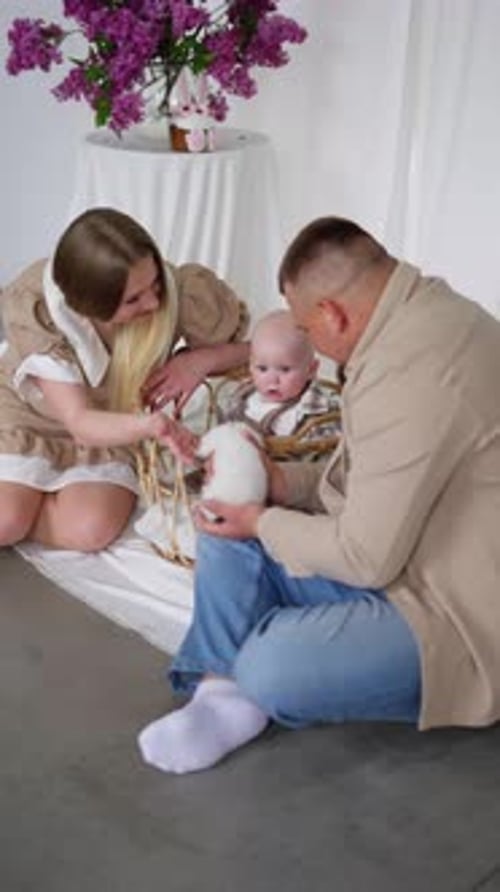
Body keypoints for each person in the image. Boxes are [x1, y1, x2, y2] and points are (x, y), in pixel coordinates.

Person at [138, 215, 500, 776]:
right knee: (224, 523)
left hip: (453, 607)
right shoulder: (419, 313)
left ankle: (243, 680)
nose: (312, 344)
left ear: (332, 314)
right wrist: (277, 487)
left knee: (270, 667)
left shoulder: (412, 371)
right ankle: (219, 692)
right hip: (404, 547)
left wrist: (261, 521)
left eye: (308, 331)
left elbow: (365, 556)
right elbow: (371, 477)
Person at [0, 207, 249, 551]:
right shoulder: (42, 312)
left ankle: (26, 497)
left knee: (90, 530)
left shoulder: (178, 292)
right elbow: (80, 422)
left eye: (155, 283)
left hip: (114, 424)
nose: (152, 302)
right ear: (90, 304)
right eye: (133, 299)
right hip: (32, 418)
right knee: (7, 521)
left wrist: (201, 360)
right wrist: (153, 426)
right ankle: (19, 503)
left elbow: (257, 351)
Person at [219, 308, 341, 447]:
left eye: (285, 369)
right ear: (250, 366)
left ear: (311, 370)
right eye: (262, 369)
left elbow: (330, 451)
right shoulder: (240, 401)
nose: (272, 380)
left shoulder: (317, 407)